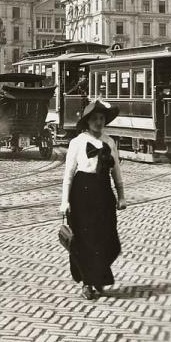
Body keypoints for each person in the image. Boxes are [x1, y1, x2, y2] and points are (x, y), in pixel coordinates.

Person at [60, 99, 126, 301]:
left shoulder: (109, 142)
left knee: (107, 239)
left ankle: (99, 277)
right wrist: (65, 201)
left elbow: (116, 171)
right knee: (85, 240)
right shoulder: (77, 142)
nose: (99, 122)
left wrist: (121, 196)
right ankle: (88, 283)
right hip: (82, 194)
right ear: (87, 121)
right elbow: (69, 174)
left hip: (104, 193)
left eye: (102, 118)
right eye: (95, 118)